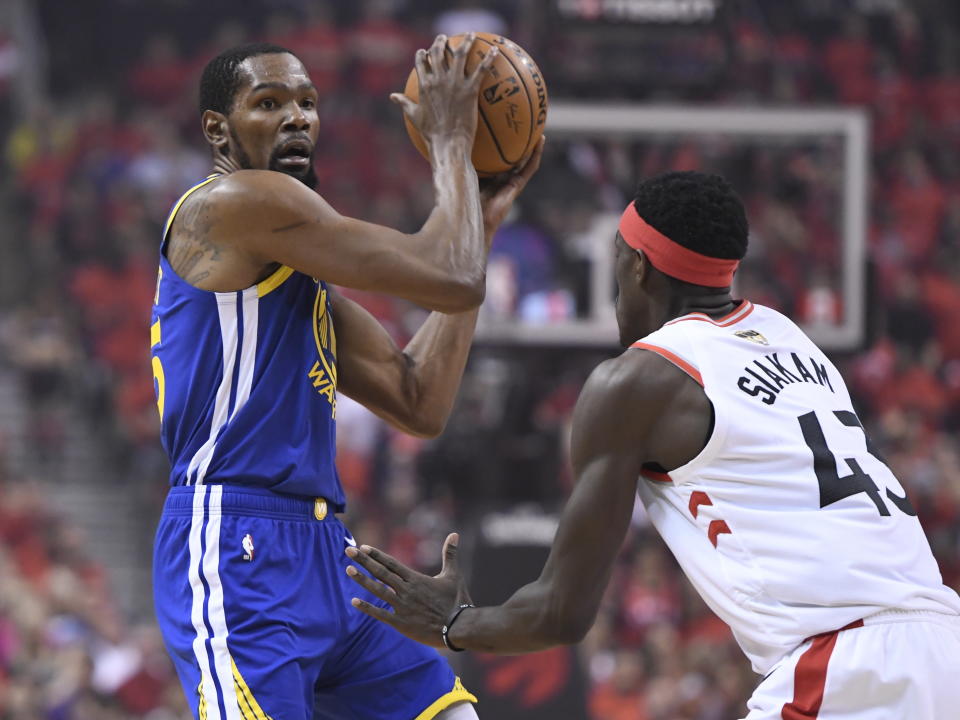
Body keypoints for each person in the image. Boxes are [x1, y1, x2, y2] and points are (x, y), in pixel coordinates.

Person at [344, 171, 960, 719]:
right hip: (942, 641)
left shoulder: (639, 379)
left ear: (637, 265)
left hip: (851, 667)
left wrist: (453, 623)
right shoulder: (791, 337)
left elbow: (561, 612)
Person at [149, 38, 542, 720]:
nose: (297, 117)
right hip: (236, 550)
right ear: (218, 129)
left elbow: (420, 399)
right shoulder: (236, 201)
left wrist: (482, 214)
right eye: (268, 103)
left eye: (307, 102)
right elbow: (450, 273)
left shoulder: (296, 286)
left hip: (327, 554)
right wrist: (452, 141)